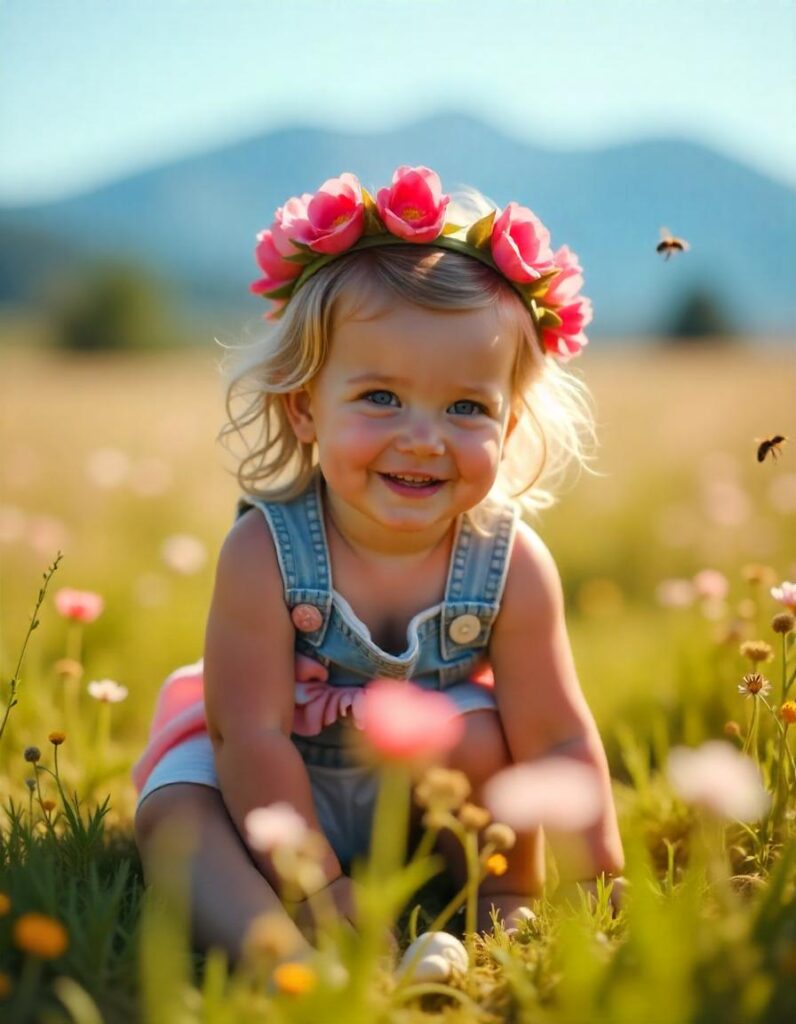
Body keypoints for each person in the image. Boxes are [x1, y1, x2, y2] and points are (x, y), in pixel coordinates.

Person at [133, 164, 624, 960]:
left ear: (509, 421)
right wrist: (316, 886)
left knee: (487, 739)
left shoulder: (511, 563)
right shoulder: (264, 550)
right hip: (264, 779)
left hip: (423, 796)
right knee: (174, 814)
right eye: (381, 399)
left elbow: (558, 738)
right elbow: (247, 734)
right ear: (305, 408)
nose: (424, 437)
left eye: (467, 407)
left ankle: (501, 898)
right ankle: (281, 952)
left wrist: (602, 880)